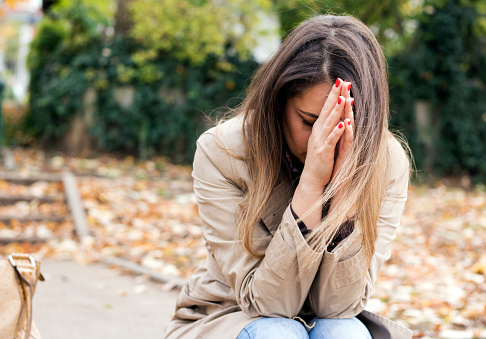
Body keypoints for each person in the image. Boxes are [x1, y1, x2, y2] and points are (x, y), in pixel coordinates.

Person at [164, 14, 413, 339]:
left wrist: (345, 193)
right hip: (230, 314)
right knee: (278, 334)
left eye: (344, 127)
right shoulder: (222, 151)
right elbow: (266, 303)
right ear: (279, 102)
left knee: (345, 333)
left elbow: (340, 308)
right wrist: (311, 185)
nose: (322, 142)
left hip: (328, 320)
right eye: (310, 122)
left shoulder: (387, 160)